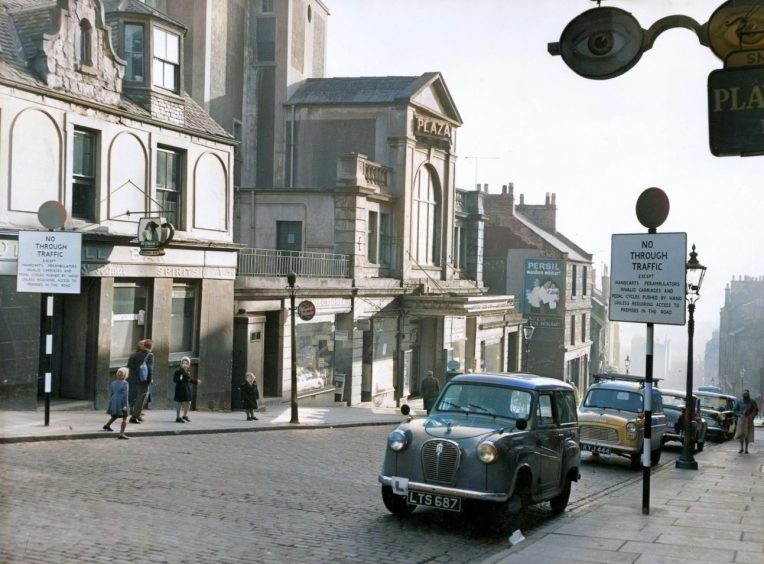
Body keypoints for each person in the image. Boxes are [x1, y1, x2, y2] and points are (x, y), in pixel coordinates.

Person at [127, 339, 154, 424]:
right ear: (150, 347)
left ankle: (137, 415)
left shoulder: (134, 355)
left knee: (138, 398)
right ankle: (134, 417)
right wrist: (150, 380)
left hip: (135, 379)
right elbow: (150, 369)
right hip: (144, 380)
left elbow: (130, 366)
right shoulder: (150, 355)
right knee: (141, 399)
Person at [103, 367, 130, 440]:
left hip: (114, 399)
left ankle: (107, 425)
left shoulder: (113, 382)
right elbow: (125, 395)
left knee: (115, 414)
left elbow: (112, 392)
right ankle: (121, 433)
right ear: (125, 375)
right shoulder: (125, 383)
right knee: (125, 416)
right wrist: (125, 405)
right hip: (121, 400)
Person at [173, 357, 201, 423]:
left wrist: (196, 381)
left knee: (188, 402)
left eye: (186, 363)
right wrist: (180, 379)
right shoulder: (178, 372)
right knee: (179, 402)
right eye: (183, 363)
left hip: (187, 389)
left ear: (189, 365)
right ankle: (178, 417)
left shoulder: (187, 372)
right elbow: (174, 380)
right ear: (181, 364)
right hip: (180, 389)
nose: (185, 364)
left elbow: (189, 379)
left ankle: (185, 415)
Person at [734, 389, 759, 454]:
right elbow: (735, 410)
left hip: (749, 420)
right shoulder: (739, 401)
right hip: (741, 420)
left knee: (747, 434)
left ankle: (746, 449)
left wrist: (752, 416)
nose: (745, 398)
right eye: (744, 396)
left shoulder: (752, 402)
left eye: (747, 396)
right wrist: (740, 414)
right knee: (741, 434)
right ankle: (741, 448)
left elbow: (756, 410)